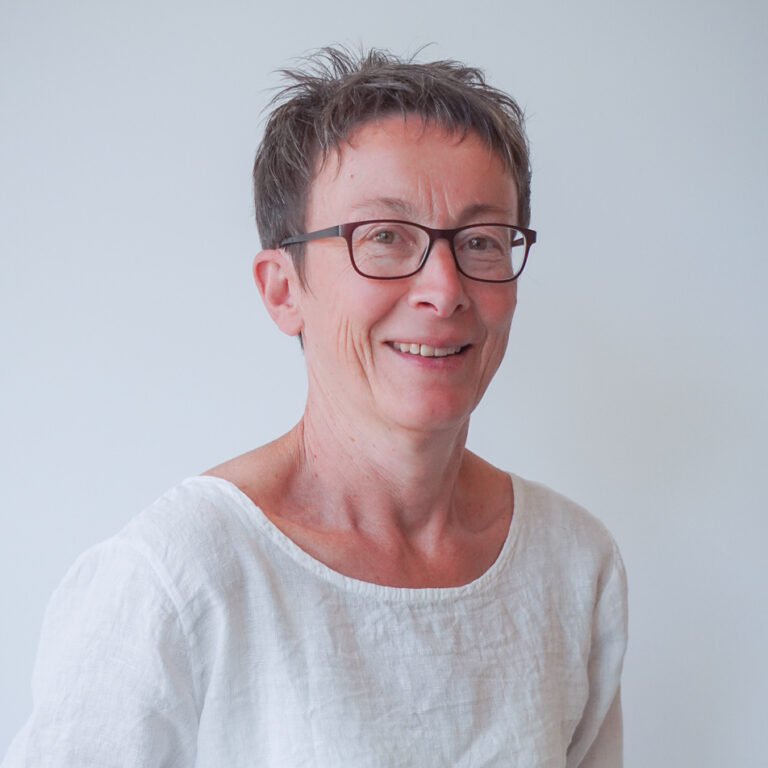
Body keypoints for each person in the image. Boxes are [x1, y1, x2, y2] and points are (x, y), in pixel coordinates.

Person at [2, 47, 627, 767]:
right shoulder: (175, 577)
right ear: (282, 290)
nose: (445, 290)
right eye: (384, 237)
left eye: (482, 241)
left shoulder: (573, 562)